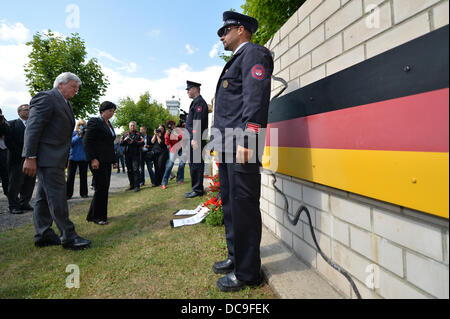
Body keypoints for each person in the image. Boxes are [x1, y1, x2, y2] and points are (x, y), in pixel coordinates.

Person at [211, 11, 274, 292]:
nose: (221, 37)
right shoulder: (235, 60)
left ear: (240, 30)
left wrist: (249, 140)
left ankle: (248, 272)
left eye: (224, 31)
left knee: (244, 207)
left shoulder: (254, 54)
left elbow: (256, 99)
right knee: (230, 205)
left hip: (241, 144)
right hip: (227, 145)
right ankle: (237, 258)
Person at [22, 72, 91, 250]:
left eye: (77, 88)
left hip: (55, 158)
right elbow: (33, 127)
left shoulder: (65, 103)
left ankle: (43, 234)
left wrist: (65, 157)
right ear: (60, 84)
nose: (76, 91)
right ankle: (68, 236)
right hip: (47, 158)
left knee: (43, 198)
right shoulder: (47, 98)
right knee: (57, 197)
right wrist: (30, 156)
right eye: (73, 87)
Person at [83, 101, 118, 225]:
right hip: (97, 161)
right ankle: (98, 217)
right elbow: (87, 141)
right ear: (103, 111)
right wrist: (93, 158)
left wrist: (114, 160)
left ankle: (94, 215)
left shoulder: (109, 124)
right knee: (100, 188)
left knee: (104, 187)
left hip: (107, 160)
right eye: (110, 110)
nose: (112, 113)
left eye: (113, 111)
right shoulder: (95, 121)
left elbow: (109, 144)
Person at [0, 104, 36, 214]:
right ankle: (14, 206)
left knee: (29, 182)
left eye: (30, 109)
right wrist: (22, 154)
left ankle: (24, 203)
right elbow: (8, 141)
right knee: (15, 183)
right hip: (17, 158)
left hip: (33, 158)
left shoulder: (34, 124)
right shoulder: (11, 124)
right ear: (19, 112)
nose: (28, 111)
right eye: (26, 110)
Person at [185, 81, 209, 198]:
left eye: (189, 89)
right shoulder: (195, 102)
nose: (188, 91)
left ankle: (198, 190)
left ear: (195, 89)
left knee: (197, 164)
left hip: (197, 139)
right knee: (193, 164)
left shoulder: (199, 102)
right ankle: (195, 188)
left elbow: (198, 122)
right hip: (194, 138)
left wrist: (195, 138)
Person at [66, 119, 89, 200]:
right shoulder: (73, 133)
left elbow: (88, 144)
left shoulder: (87, 134)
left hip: (83, 158)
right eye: (80, 125)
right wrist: (78, 136)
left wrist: (83, 135)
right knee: (70, 177)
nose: (81, 126)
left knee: (83, 176)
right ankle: (68, 194)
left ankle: (84, 193)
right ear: (77, 126)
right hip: (73, 158)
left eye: (83, 125)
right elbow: (70, 143)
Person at [120, 121, 144, 192]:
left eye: (133, 125)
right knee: (129, 170)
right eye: (131, 126)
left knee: (136, 170)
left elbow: (142, 142)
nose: (132, 127)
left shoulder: (139, 134)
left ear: (135, 126)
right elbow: (121, 143)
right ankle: (132, 185)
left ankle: (137, 186)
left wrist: (133, 142)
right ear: (129, 126)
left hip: (136, 154)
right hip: (127, 155)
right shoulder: (125, 134)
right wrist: (125, 140)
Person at [161, 120, 185, 189]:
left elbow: (182, 137)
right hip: (173, 150)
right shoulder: (167, 132)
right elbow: (167, 143)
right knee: (170, 165)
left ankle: (180, 179)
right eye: (171, 125)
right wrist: (168, 136)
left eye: (173, 125)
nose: (173, 126)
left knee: (181, 164)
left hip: (180, 148)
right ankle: (164, 182)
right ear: (169, 126)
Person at [0, 108, 9, 198]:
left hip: (3, 150)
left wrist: (1, 122)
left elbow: (7, 131)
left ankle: (7, 192)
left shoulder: (3, 121)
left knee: (5, 173)